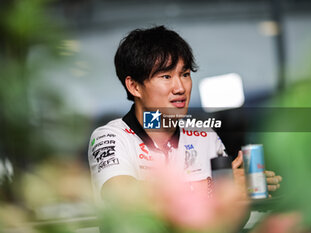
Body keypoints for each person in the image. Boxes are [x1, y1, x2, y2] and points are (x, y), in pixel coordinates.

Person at [88, 25, 281, 201]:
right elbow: (121, 195)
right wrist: (214, 187)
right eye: (166, 76)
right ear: (134, 86)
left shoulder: (205, 136)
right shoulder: (111, 137)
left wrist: (247, 188)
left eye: (185, 74)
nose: (180, 88)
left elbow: (230, 211)